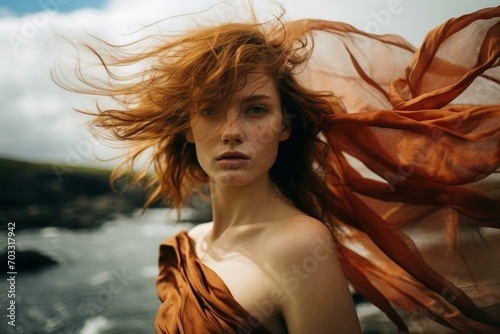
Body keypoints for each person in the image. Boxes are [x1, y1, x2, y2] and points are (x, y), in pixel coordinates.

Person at [54, 3, 500, 333]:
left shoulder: (299, 244)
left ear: (284, 126)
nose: (231, 131)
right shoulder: (182, 245)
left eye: (255, 109)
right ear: (188, 128)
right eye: (209, 110)